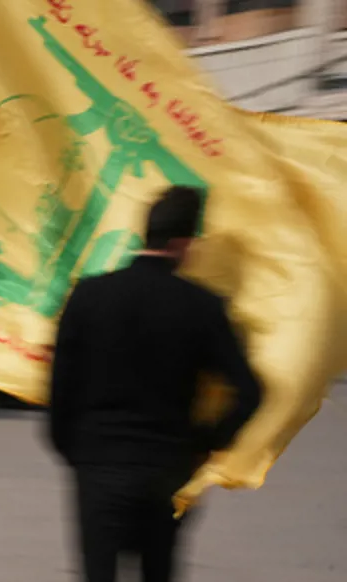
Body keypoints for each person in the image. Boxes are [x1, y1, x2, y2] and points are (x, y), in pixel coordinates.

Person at [47, 185, 263, 582]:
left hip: (99, 458)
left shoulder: (90, 295)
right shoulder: (202, 305)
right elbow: (249, 391)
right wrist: (203, 443)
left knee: (99, 571)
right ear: (184, 242)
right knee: (158, 570)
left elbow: (61, 387)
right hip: (167, 463)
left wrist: (74, 448)